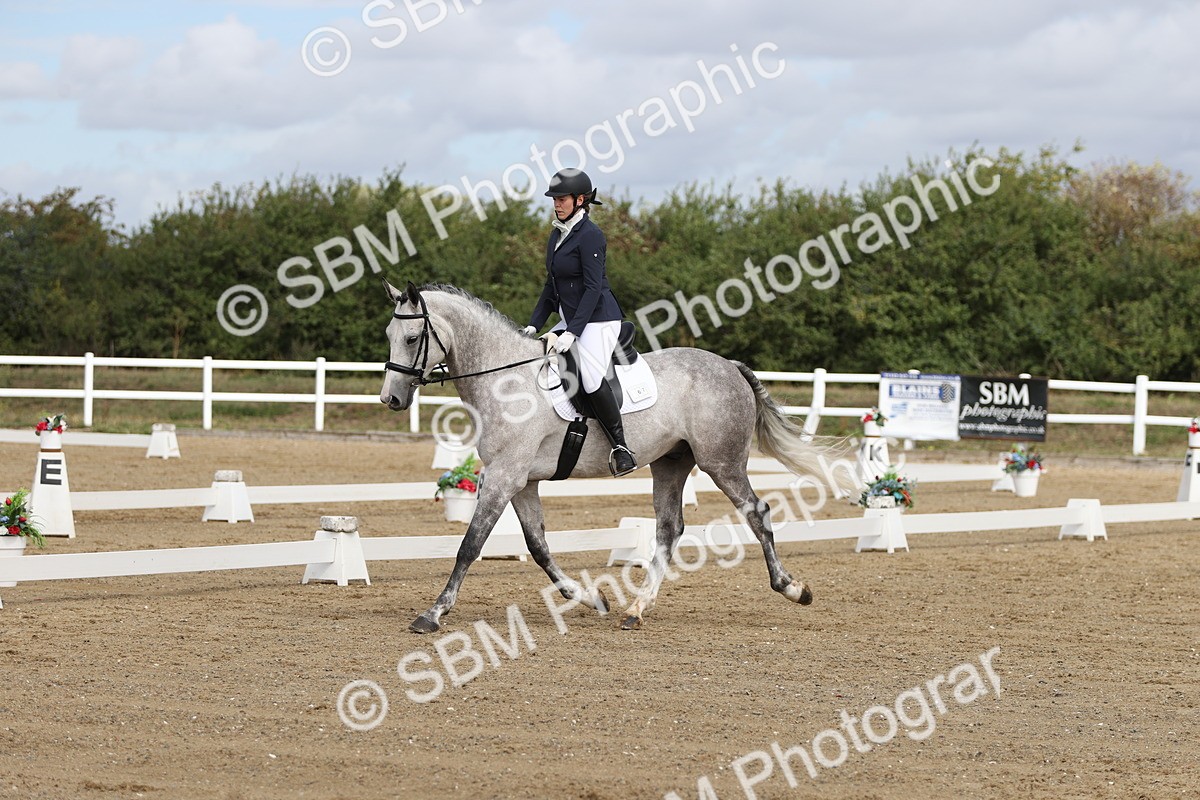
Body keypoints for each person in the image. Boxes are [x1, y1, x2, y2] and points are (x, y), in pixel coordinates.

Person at [524, 168, 637, 477]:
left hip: (599, 320)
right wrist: (533, 326)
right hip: (571, 319)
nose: (556, 204)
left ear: (580, 200)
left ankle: (621, 447)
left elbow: (591, 287)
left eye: (561, 199)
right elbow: (551, 288)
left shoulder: (591, 236)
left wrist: (572, 332)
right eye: (554, 199)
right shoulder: (557, 235)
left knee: (588, 376)